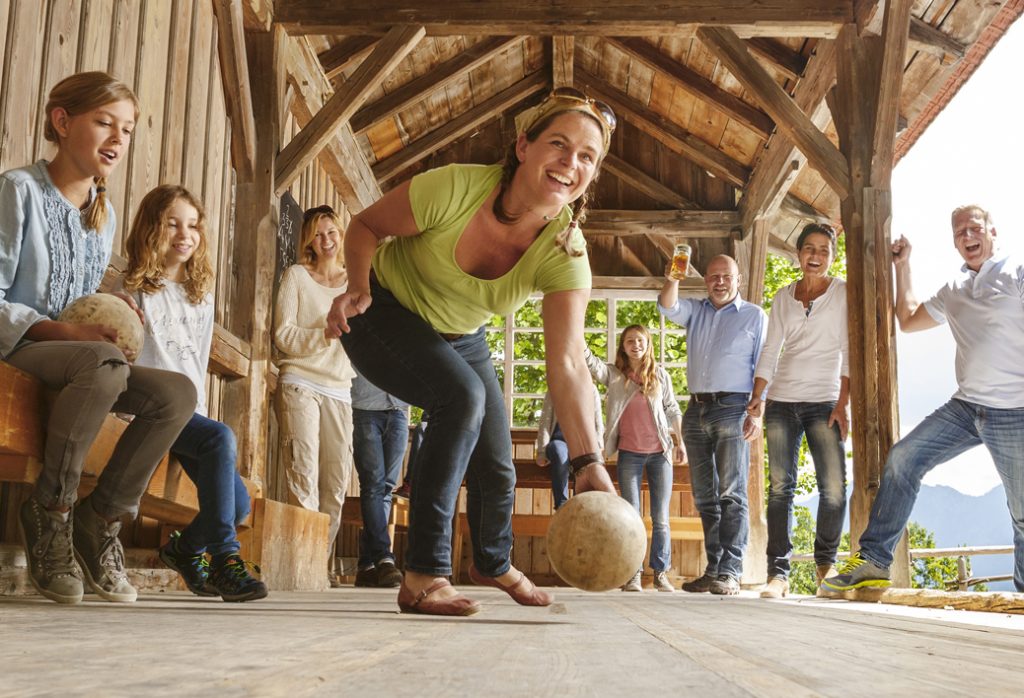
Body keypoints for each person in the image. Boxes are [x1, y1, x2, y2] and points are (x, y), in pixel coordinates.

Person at [326, 87, 618, 616]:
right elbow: (366, 224)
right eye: (559, 144)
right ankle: (422, 574)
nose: (569, 163)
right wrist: (357, 284)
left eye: (586, 157)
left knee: (496, 462)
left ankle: (492, 560)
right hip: (382, 309)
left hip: (462, 335)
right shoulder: (457, 188)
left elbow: (569, 362)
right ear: (523, 145)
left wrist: (587, 459)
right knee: (460, 398)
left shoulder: (566, 252)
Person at [0, 72, 196, 605]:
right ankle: (52, 511)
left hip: (80, 359)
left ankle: (99, 517)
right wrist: (65, 330)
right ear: (62, 122)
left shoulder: (100, 218)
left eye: (127, 130)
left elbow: (83, 305)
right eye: (104, 122)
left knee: (176, 394)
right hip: (18, 348)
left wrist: (117, 311)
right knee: (103, 361)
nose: (117, 138)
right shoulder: (18, 190)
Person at [823, 205, 1024, 593]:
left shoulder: (1015, 273)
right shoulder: (955, 290)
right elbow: (909, 319)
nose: (967, 235)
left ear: (993, 232)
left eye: (974, 227)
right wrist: (903, 265)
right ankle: (874, 560)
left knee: (1021, 513)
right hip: (966, 407)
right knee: (902, 459)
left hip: (1014, 410)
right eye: (959, 231)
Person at [120, 184, 267, 602]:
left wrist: (197, 413)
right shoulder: (134, 291)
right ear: (152, 229)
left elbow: (196, 362)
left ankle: (183, 552)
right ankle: (224, 560)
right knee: (221, 437)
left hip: (187, 413)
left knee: (239, 506)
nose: (185, 234)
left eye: (193, 225)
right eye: (172, 224)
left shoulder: (199, 297)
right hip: (148, 408)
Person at [746, 224, 850, 599]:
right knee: (780, 488)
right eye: (809, 248)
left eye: (824, 249)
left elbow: (850, 350)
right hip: (782, 401)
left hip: (824, 400)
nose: (816, 255)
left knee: (834, 487)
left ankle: (826, 565)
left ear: (833, 256)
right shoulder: (782, 297)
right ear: (798, 253)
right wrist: (758, 397)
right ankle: (778, 573)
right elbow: (771, 349)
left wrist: (843, 403)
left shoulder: (842, 293)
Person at [659, 255, 767, 595]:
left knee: (731, 493)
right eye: (713, 276)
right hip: (696, 410)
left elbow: (765, 363)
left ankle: (731, 572)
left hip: (734, 408)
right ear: (705, 280)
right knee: (705, 496)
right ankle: (714, 568)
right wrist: (673, 276)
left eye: (726, 276)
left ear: (738, 280)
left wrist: (758, 412)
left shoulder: (754, 315)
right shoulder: (696, 310)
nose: (720, 282)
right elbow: (667, 306)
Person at [273, 205, 356, 587]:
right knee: (302, 477)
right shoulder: (295, 277)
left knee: (335, 487)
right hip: (300, 381)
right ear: (308, 239)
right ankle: (302, 572)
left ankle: (315, 564)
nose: (326, 241)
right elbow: (283, 336)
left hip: (340, 387)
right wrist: (323, 333)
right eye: (318, 234)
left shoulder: (356, 282)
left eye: (332, 232)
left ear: (341, 234)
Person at [585, 325, 685, 593]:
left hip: (659, 454)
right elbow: (591, 363)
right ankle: (633, 574)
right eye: (630, 341)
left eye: (640, 340)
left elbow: (672, 408)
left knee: (660, 517)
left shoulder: (660, 375)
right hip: (629, 454)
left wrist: (680, 442)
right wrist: (573, 334)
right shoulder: (616, 376)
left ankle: (660, 573)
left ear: (648, 344)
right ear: (623, 346)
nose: (635, 345)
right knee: (631, 516)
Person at [351, 370, 408, 588]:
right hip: (365, 408)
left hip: (399, 411)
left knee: (385, 488)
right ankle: (384, 557)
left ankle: (366, 566)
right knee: (373, 485)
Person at [535, 384, 604, 510]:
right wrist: (541, 452)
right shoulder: (554, 388)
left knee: (585, 461)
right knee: (559, 453)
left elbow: (598, 420)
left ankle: (581, 505)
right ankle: (562, 504)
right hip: (559, 441)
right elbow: (545, 421)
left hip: (582, 442)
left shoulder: (591, 389)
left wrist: (598, 446)